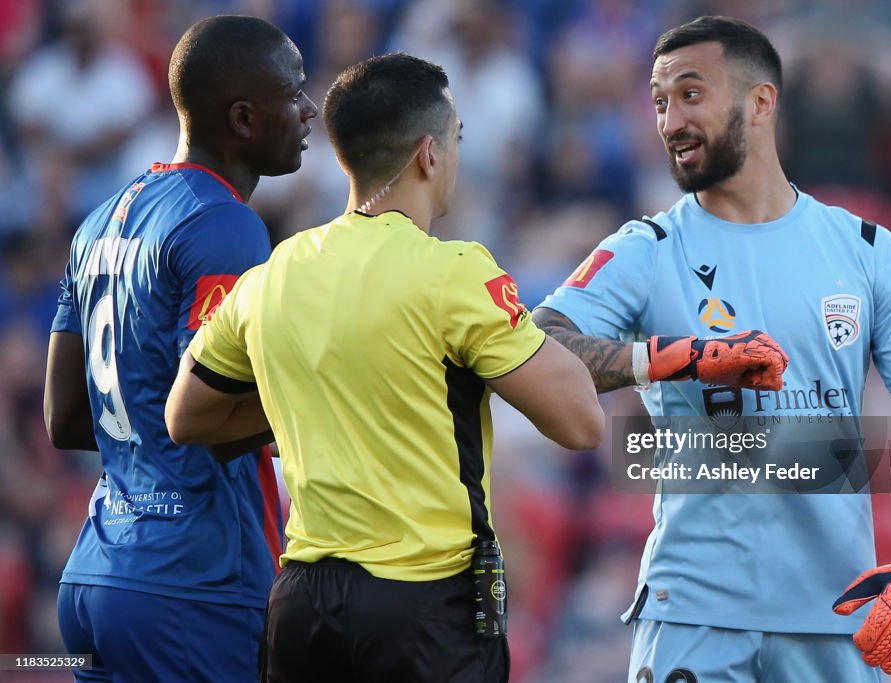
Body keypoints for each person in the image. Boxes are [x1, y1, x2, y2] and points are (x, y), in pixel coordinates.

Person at [534, 15, 891, 683]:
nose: (670, 120)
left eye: (690, 94)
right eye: (657, 102)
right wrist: (669, 357)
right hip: (693, 611)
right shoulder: (645, 248)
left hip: (835, 616)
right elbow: (536, 347)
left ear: (760, 101)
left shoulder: (865, 249)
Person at [164, 52, 604, 683]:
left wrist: (324, 390)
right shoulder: (453, 270)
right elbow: (581, 423)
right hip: (424, 608)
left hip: (303, 605)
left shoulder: (272, 274)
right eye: (456, 140)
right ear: (429, 154)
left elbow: (186, 417)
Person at [42, 15, 317, 683]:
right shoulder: (225, 223)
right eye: (294, 91)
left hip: (96, 576)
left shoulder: (97, 221)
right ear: (245, 118)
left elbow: (66, 418)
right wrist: (328, 401)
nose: (310, 110)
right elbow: (215, 421)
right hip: (193, 584)